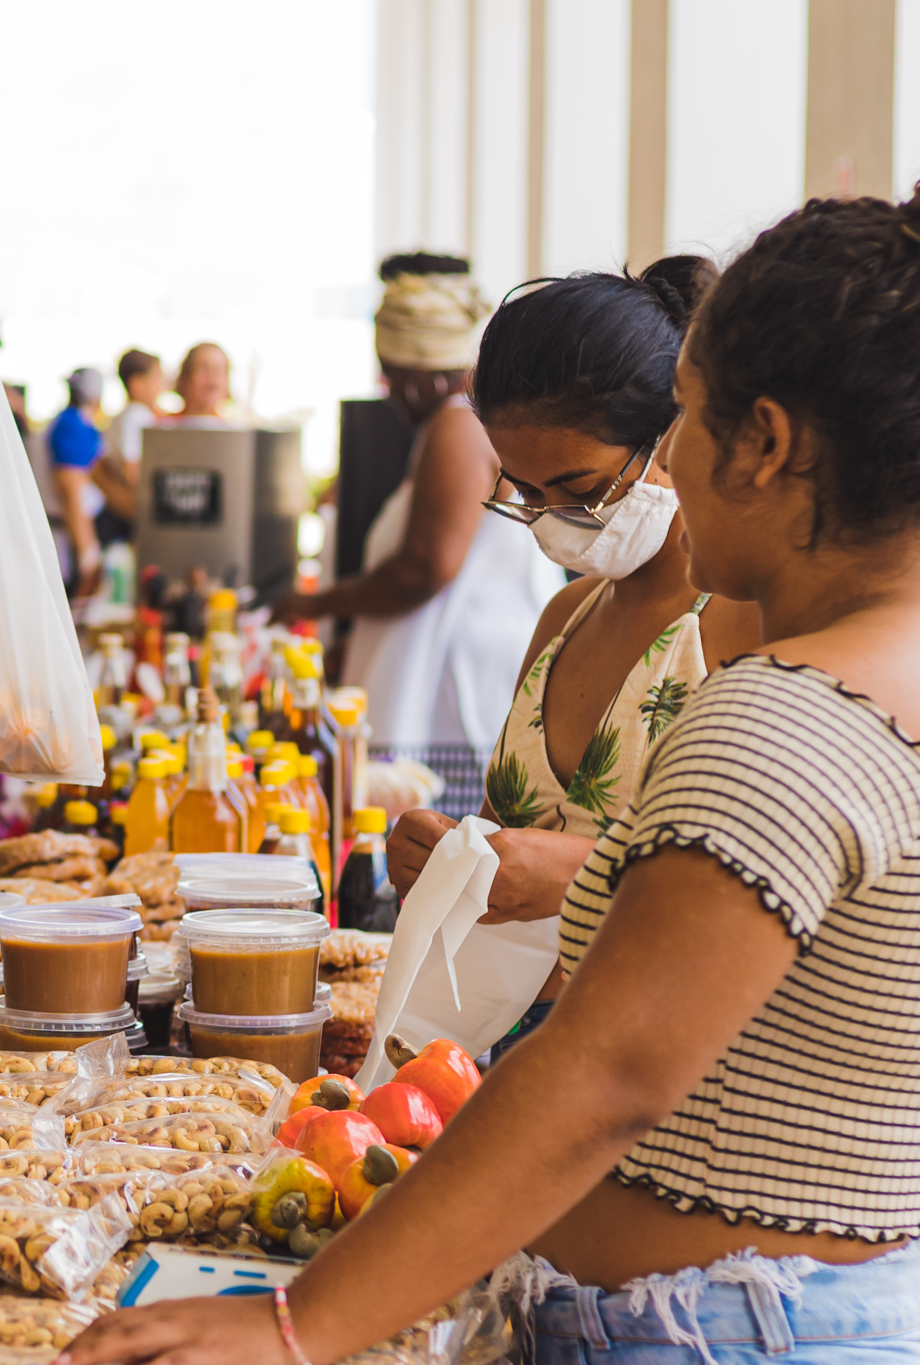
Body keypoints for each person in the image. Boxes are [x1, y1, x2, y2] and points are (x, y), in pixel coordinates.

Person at [66, 190, 920, 1365]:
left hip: (715, 1332)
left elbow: (603, 1074)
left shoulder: (777, 718)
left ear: (761, 442)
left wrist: (295, 1326)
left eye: (681, 417)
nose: (666, 457)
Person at [385, 256, 762, 1060]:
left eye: (578, 487)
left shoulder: (740, 627)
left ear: (675, 438)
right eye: (522, 492)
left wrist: (591, 870)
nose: (552, 520)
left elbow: (773, 880)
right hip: (514, 1045)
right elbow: (512, 839)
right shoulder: (565, 615)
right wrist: (446, 853)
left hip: (657, 1057)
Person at [272, 254, 561, 748]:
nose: (390, 393)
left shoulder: (457, 425)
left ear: (425, 376)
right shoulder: (460, 420)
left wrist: (316, 603)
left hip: (454, 686)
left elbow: (424, 568)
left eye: (393, 376)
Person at [48, 367, 108, 596]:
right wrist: (87, 555)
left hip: (70, 534)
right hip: (67, 541)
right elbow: (71, 489)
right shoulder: (72, 425)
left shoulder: (74, 422)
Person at [91, 347, 163, 525]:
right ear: (137, 384)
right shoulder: (137, 415)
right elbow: (131, 471)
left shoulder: (120, 417)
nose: (161, 386)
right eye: (157, 379)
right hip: (126, 514)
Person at [170, 341, 232, 426]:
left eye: (219, 370)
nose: (213, 376)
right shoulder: (163, 426)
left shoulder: (232, 429)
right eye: (204, 369)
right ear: (186, 377)